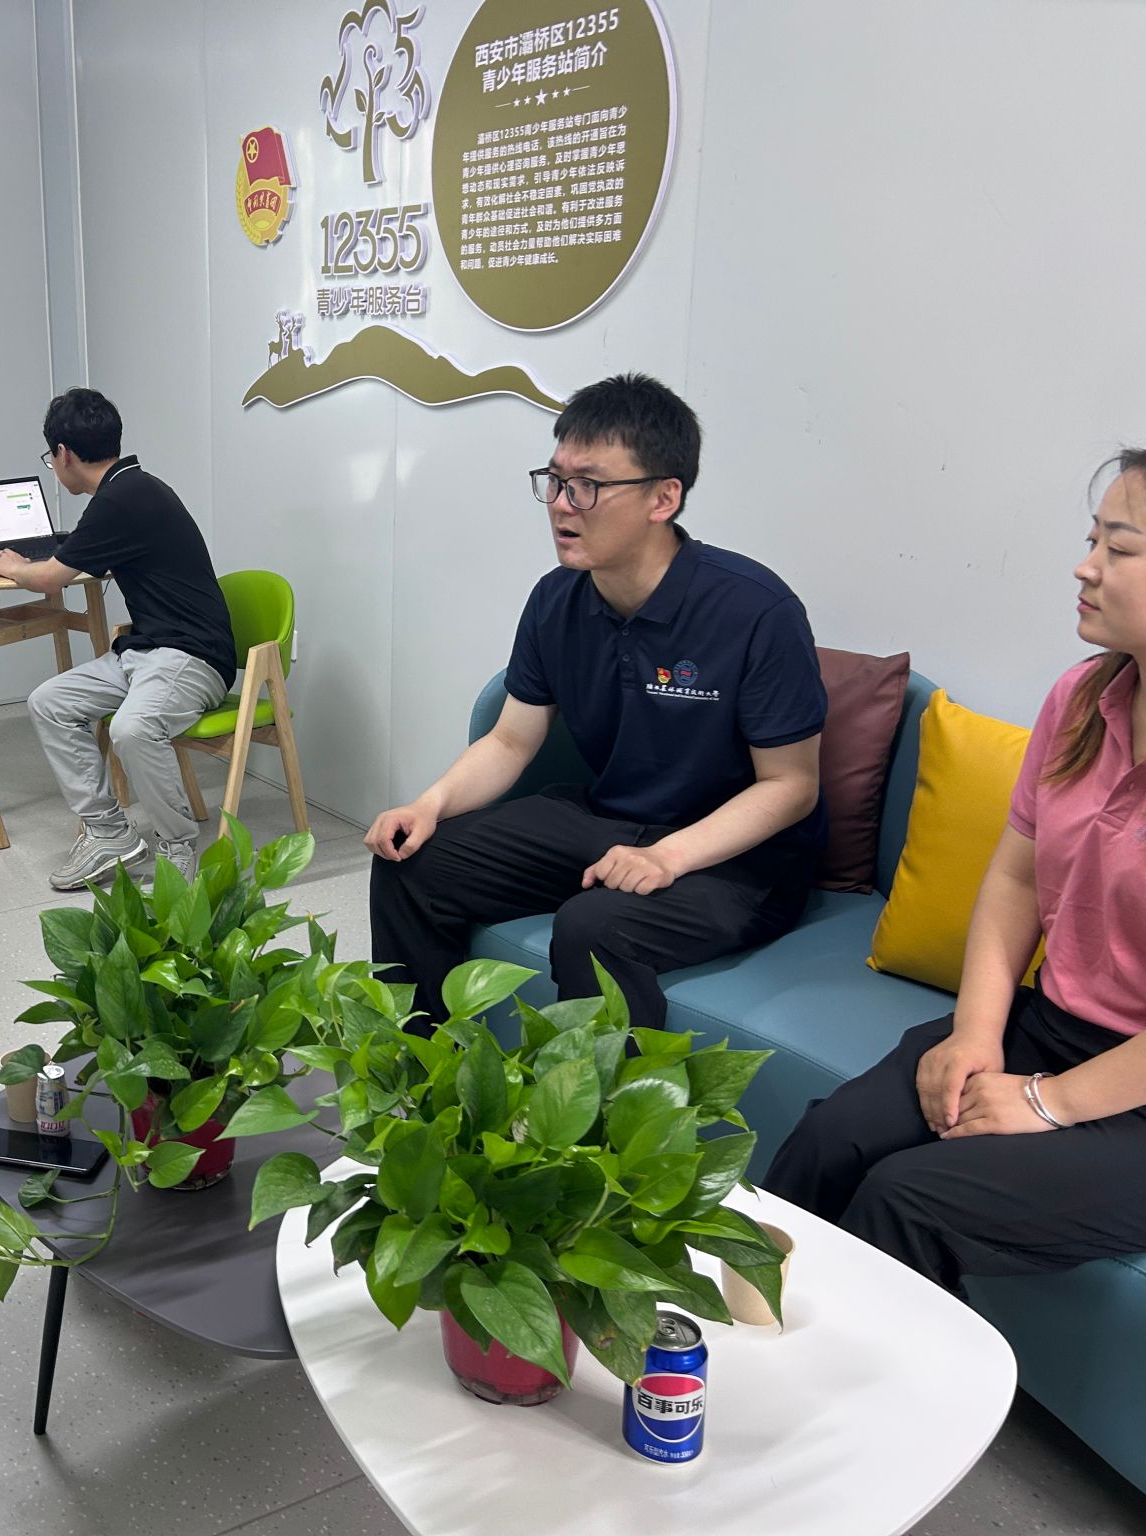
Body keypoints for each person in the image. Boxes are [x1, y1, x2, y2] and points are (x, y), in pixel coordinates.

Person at [765, 449, 1146, 1292]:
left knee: (908, 1200)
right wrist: (975, 1033)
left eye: (1119, 549)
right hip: (1051, 1024)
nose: (1085, 567)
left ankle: (860, 1381)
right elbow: (1017, 880)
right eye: (1092, 540)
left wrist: (1046, 1103)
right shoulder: (1082, 700)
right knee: (832, 1141)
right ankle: (745, 1336)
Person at [365, 373, 826, 1035]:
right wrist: (428, 805)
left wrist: (669, 857)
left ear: (664, 497)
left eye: (587, 485)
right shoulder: (557, 599)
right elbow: (511, 741)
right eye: (554, 481)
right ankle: (425, 1071)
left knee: (595, 925)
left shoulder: (754, 609)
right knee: (410, 863)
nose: (561, 505)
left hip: (736, 860)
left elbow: (791, 786)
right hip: (607, 820)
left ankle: (600, 1105)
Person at [0, 388, 237, 888]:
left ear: (63, 453)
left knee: (132, 729)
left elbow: (49, 580)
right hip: (146, 652)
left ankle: (177, 847)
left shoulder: (122, 498)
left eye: (50, 457)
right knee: (50, 702)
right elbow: (83, 552)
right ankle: (109, 833)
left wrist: (13, 566)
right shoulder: (128, 488)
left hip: (193, 657)